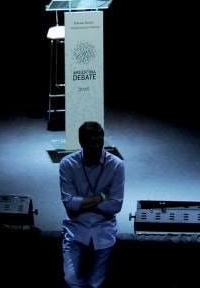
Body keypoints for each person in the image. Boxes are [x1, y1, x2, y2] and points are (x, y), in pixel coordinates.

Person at [60, 121, 125, 288]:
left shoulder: (116, 165)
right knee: (71, 280)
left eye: (99, 142)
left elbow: (115, 206)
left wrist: (82, 202)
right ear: (81, 142)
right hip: (76, 229)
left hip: (103, 230)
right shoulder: (67, 164)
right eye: (91, 143)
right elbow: (69, 204)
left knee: (97, 284)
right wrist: (101, 197)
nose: (96, 147)